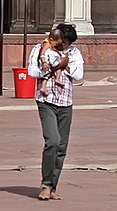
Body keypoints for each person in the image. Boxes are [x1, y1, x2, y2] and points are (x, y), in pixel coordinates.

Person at [29, 23, 85, 200]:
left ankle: (52, 186)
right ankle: (45, 184)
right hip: (46, 101)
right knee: (52, 140)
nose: (66, 45)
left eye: (68, 42)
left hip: (65, 102)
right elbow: (32, 71)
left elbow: (78, 75)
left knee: (61, 147)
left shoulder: (74, 53)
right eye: (64, 41)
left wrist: (65, 66)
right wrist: (50, 67)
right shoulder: (40, 49)